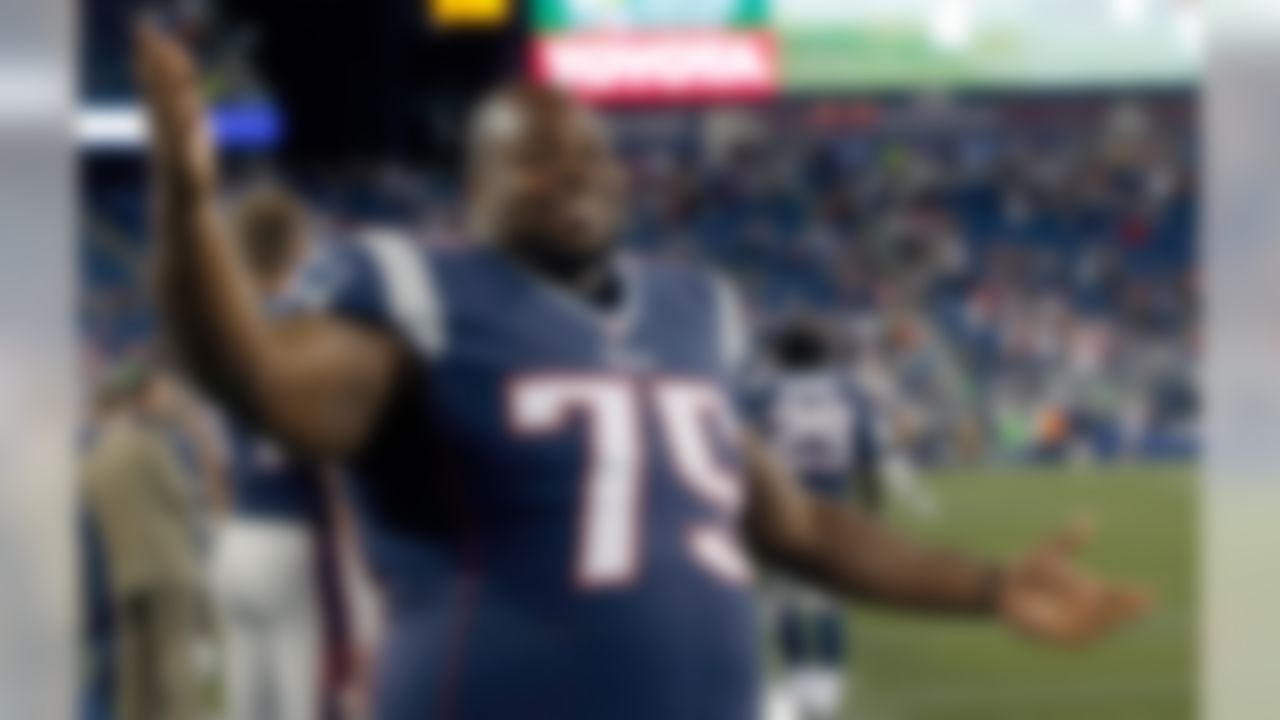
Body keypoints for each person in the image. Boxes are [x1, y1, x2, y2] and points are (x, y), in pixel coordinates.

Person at [136, 24, 1150, 720]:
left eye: (591, 156)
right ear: (475, 188)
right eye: (535, 157)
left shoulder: (689, 308)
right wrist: (186, 214)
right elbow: (255, 377)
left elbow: (794, 526)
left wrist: (986, 586)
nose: (572, 172)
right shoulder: (418, 291)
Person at [206, 185, 356, 720]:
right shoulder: (302, 324)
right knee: (311, 704)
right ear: (295, 246)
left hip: (234, 536)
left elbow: (211, 453)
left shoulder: (219, 329)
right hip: (294, 532)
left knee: (247, 707)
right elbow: (332, 455)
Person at [741, 318, 889, 719]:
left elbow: (740, 449)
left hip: (780, 511)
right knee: (828, 605)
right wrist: (872, 512)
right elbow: (869, 458)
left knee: (784, 604)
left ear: (781, 355)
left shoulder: (763, 392)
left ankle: (800, 687)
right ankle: (827, 696)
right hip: (833, 510)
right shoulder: (848, 392)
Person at [82, 363, 206, 720]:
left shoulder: (93, 458)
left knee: (135, 675)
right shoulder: (149, 441)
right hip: (166, 567)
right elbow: (181, 497)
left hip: (124, 573)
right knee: (175, 663)